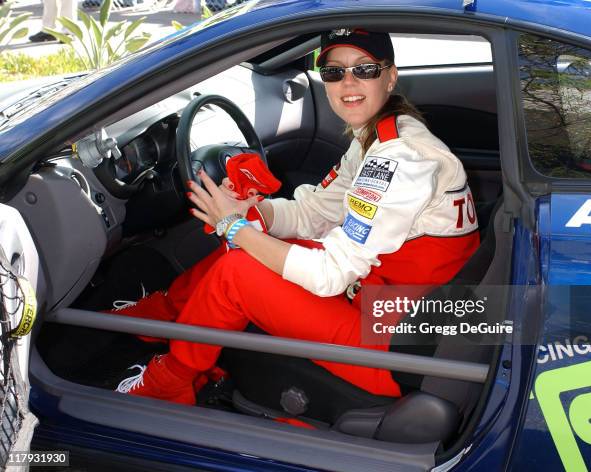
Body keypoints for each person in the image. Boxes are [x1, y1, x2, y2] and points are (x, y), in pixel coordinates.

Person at [113, 29, 480, 405]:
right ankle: (167, 317)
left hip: (402, 348)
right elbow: (316, 211)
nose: (347, 83)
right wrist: (252, 212)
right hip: (399, 310)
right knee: (255, 247)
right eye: (335, 72)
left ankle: (173, 379)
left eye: (364, 69)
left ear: (390, 76)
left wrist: (234, 227)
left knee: (236, 272)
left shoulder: (400, 160)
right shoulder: (379, 137)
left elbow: (328, 275)